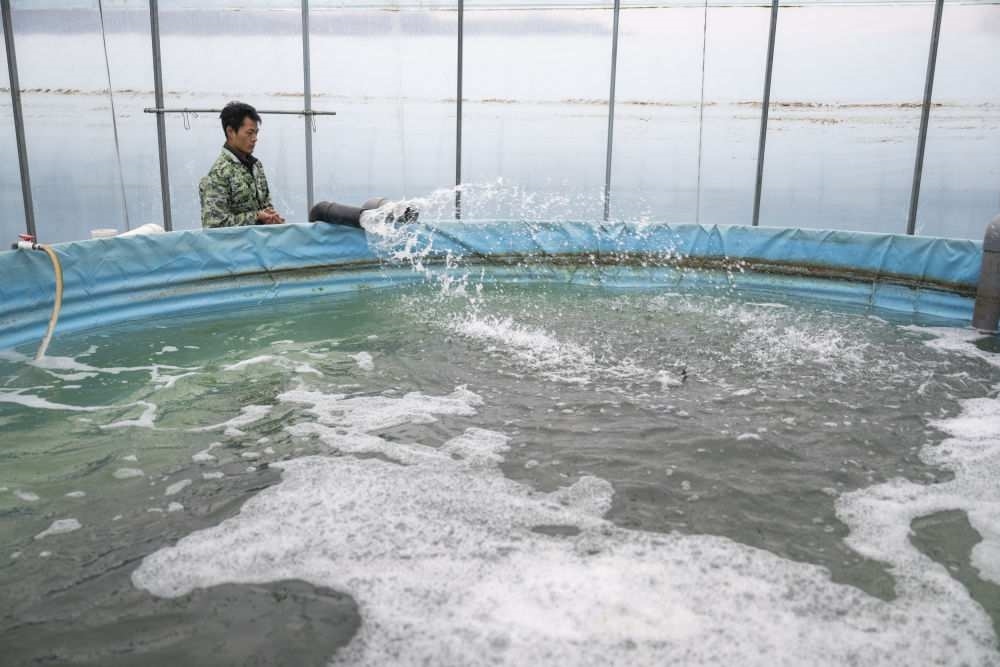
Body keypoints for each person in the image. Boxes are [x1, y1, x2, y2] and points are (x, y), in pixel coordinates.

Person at [200, 101, 417, 229]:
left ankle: (386, 215)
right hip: (238, 256)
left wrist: (270, 218)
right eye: (249, 133)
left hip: (260, 247)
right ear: (230, 132)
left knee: (321, 212)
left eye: (256, 133)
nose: (255, 138)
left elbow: (264, 207)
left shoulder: (255, 167)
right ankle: (372, 217)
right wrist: (256, 217)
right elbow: (214, 225)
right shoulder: (218, 175)